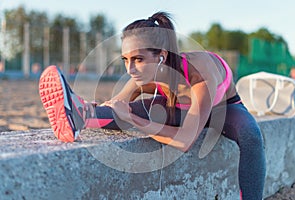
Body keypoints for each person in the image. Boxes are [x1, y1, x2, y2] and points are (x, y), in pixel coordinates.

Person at [39, 12, 266, 200]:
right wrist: (99, 108)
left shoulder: (200, 74)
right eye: (126, 60)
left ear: (161, 57)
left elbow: (185, 140)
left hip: (223, 109)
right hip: (177, 107)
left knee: (252, 135)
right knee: (128, 110)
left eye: (138, 59)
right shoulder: (145, 74)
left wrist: (136, 121)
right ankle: (78, 114)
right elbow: (119, 105)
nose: (130, 69)